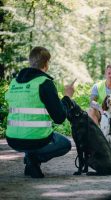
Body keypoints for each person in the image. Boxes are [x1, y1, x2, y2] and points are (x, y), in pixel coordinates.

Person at [5, 46, 75, 178]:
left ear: (30, 62)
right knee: (65, 144)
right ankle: (33, 160)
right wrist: (67, 97)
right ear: (46, 64)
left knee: (30, 137)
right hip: (37, 140)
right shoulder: (44, 82)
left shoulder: (14, 83)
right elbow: (59, 118)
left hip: (13, 140)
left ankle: (30, 158)